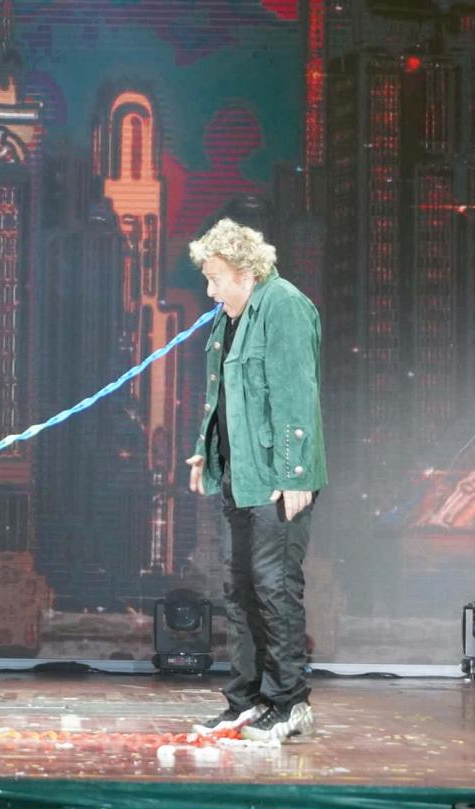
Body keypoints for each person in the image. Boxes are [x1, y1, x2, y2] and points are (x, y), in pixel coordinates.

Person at [184, 218, 326, 745]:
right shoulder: (231, 317)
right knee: (239, 588)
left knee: (274, 586)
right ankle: (246, 701)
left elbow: (295, 394)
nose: (210, 291)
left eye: (215, 278)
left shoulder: (283, 306)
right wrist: (205, 452)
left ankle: (289, 703)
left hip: (275, 479)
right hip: (240, 477)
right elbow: (222, 396)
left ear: (245, 272)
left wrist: (295, 473)